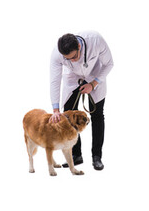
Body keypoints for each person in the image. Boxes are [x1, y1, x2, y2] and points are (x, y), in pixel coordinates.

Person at [49, 31, 114, 170]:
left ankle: (97, 157)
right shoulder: (57, 54)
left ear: (79, 46)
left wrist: (94, 84)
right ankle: (76, 155)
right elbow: (54, 80)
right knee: (68, 116)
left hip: (95, 75)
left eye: (74, 57)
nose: (72, 61)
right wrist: (55, 110)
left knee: (97, 115)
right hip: (72, 77)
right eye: (68, 59)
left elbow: (109, 63)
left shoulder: (95, 40)